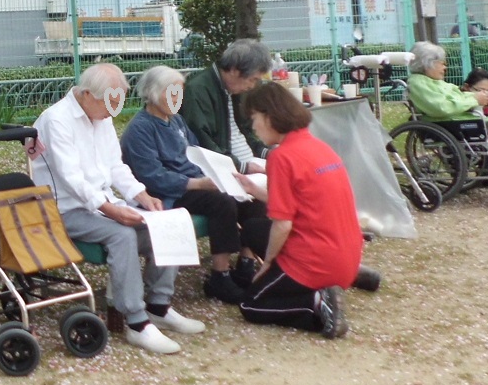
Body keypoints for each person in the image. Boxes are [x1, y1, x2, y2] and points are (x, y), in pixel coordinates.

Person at [32, 63, 204, 355]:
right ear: (87, 94)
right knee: (121, 235)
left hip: (99, 203)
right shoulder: (56, 120)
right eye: (110, 100)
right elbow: (71, 178)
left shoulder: (102, 115)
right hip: (63, 208)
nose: (115, 108)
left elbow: (115, 166)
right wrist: (112, 209)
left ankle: (160, 305)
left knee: (169, 221)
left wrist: (142, 195)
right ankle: (136, 322)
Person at [121, 66, 271, 305]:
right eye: (171, 93)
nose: (176, 99)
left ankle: (246, 263)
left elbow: (195, 154)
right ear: (152, 93)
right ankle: (219, 276)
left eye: (179, 94)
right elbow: (152, 176)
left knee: (248, 194)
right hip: (167, 193)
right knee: (221, 202)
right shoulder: (140, 129)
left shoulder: (177, 121)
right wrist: (198, 183)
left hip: (194, 181)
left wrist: (219, 175)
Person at [235, 82, 361, 338]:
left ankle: (316, 302)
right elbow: (297, 201)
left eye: (254, 118)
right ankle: (344, 279)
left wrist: (268, 263)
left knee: (250, 304)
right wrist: (252, 188)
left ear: (269, 117)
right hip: (346, 251)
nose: (254, 126)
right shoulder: (318, 146)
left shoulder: (281, 157)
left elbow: (283, 223)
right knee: (252, 229)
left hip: (315, 259)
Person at [179, 38, 272, 177]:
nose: (252, 86)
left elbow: (247, 131)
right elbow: (203, 142)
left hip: (248, 163)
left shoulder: (234, 89)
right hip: (225, 171)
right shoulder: (197, 90)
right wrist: (241, 167)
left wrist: (266, 152)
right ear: (234, 70)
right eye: (252, 79)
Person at [407, 41, 488, 152]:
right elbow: (442, 108)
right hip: (463, 127)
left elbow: (459, 97)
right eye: (442, 63)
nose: (445, 67)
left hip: (472, 124)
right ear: (428, 63)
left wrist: (476, 97)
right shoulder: (419, 84)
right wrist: (474, 99)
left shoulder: (435, 82)